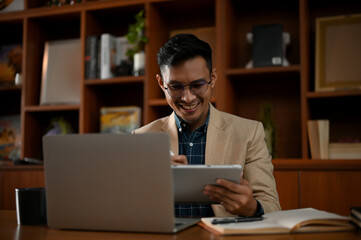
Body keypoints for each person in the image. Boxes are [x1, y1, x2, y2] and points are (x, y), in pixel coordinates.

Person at [134, 34, 280, 217]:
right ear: (161, 83)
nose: (188, 97)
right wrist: (148, 182)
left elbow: (272, 206)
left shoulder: (249, 133)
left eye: (198, 85)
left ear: (213, 77)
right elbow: (127, 208)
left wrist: (251, 207)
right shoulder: (141, 138)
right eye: (175, 87)